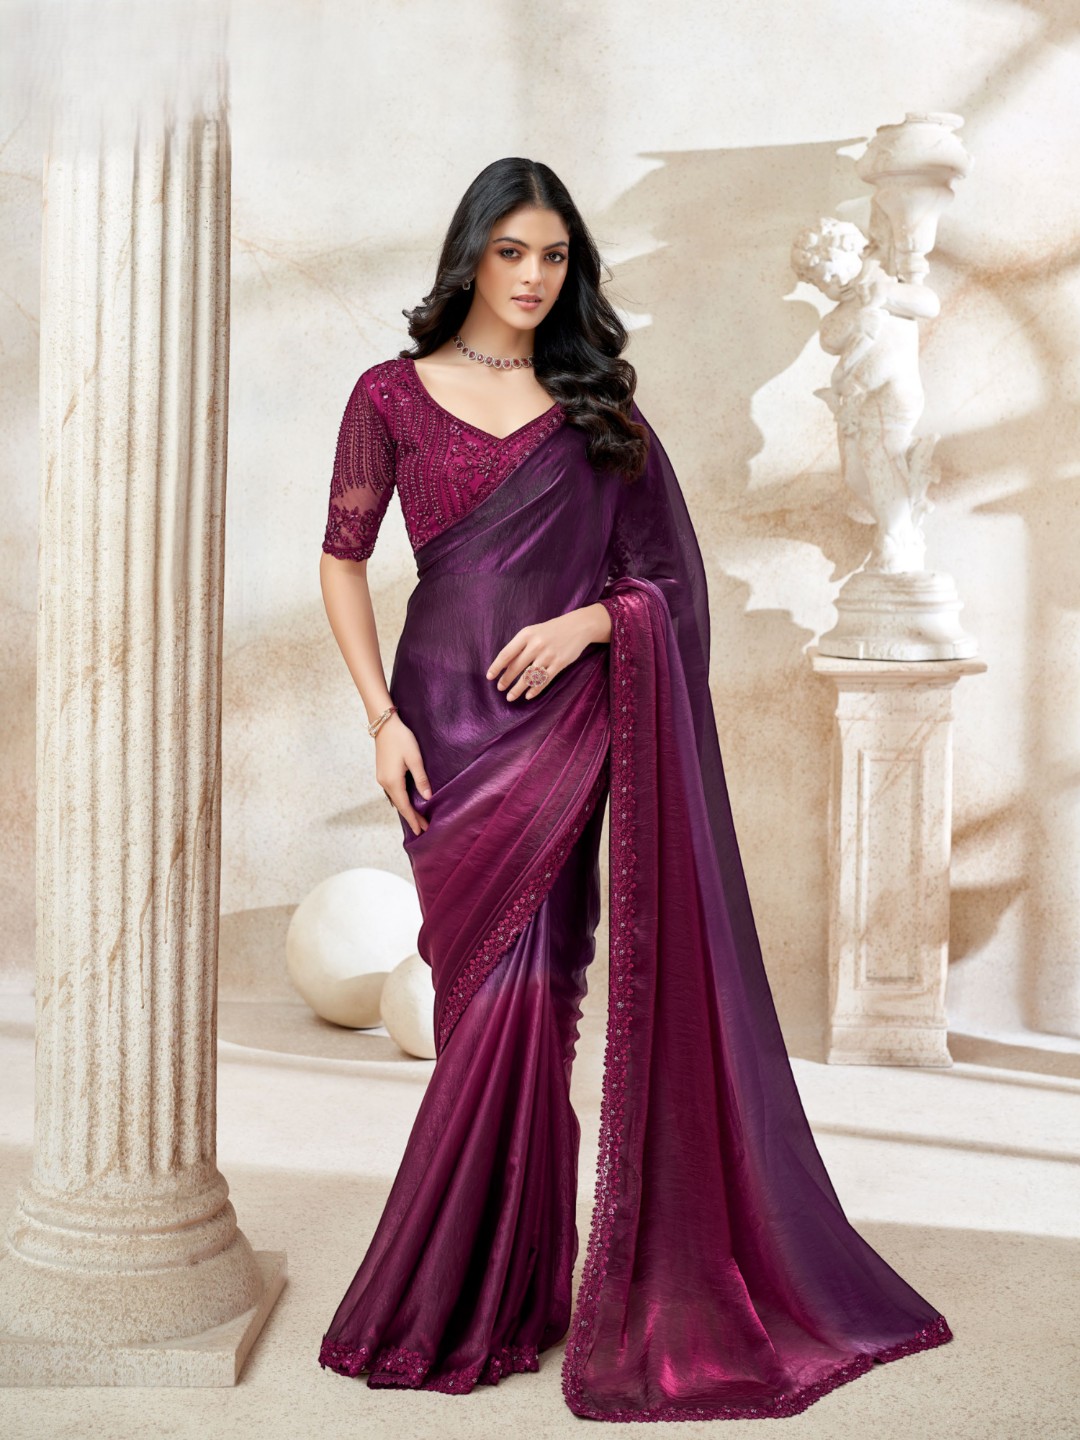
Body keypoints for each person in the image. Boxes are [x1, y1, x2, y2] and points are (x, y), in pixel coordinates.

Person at [315, 157, 953, 1422]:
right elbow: (342, 558)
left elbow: (672, 583)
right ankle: (473, 1288)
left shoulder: (595, 407)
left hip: (564, 730)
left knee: (542, 993)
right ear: (471, 255)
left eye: (554, 256)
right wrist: (380, 718)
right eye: (512, 252)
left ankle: (504, 1292)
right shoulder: (389, 394)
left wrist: (597, 625)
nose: (534, 277)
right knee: (475, 1001)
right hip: (439, 725)